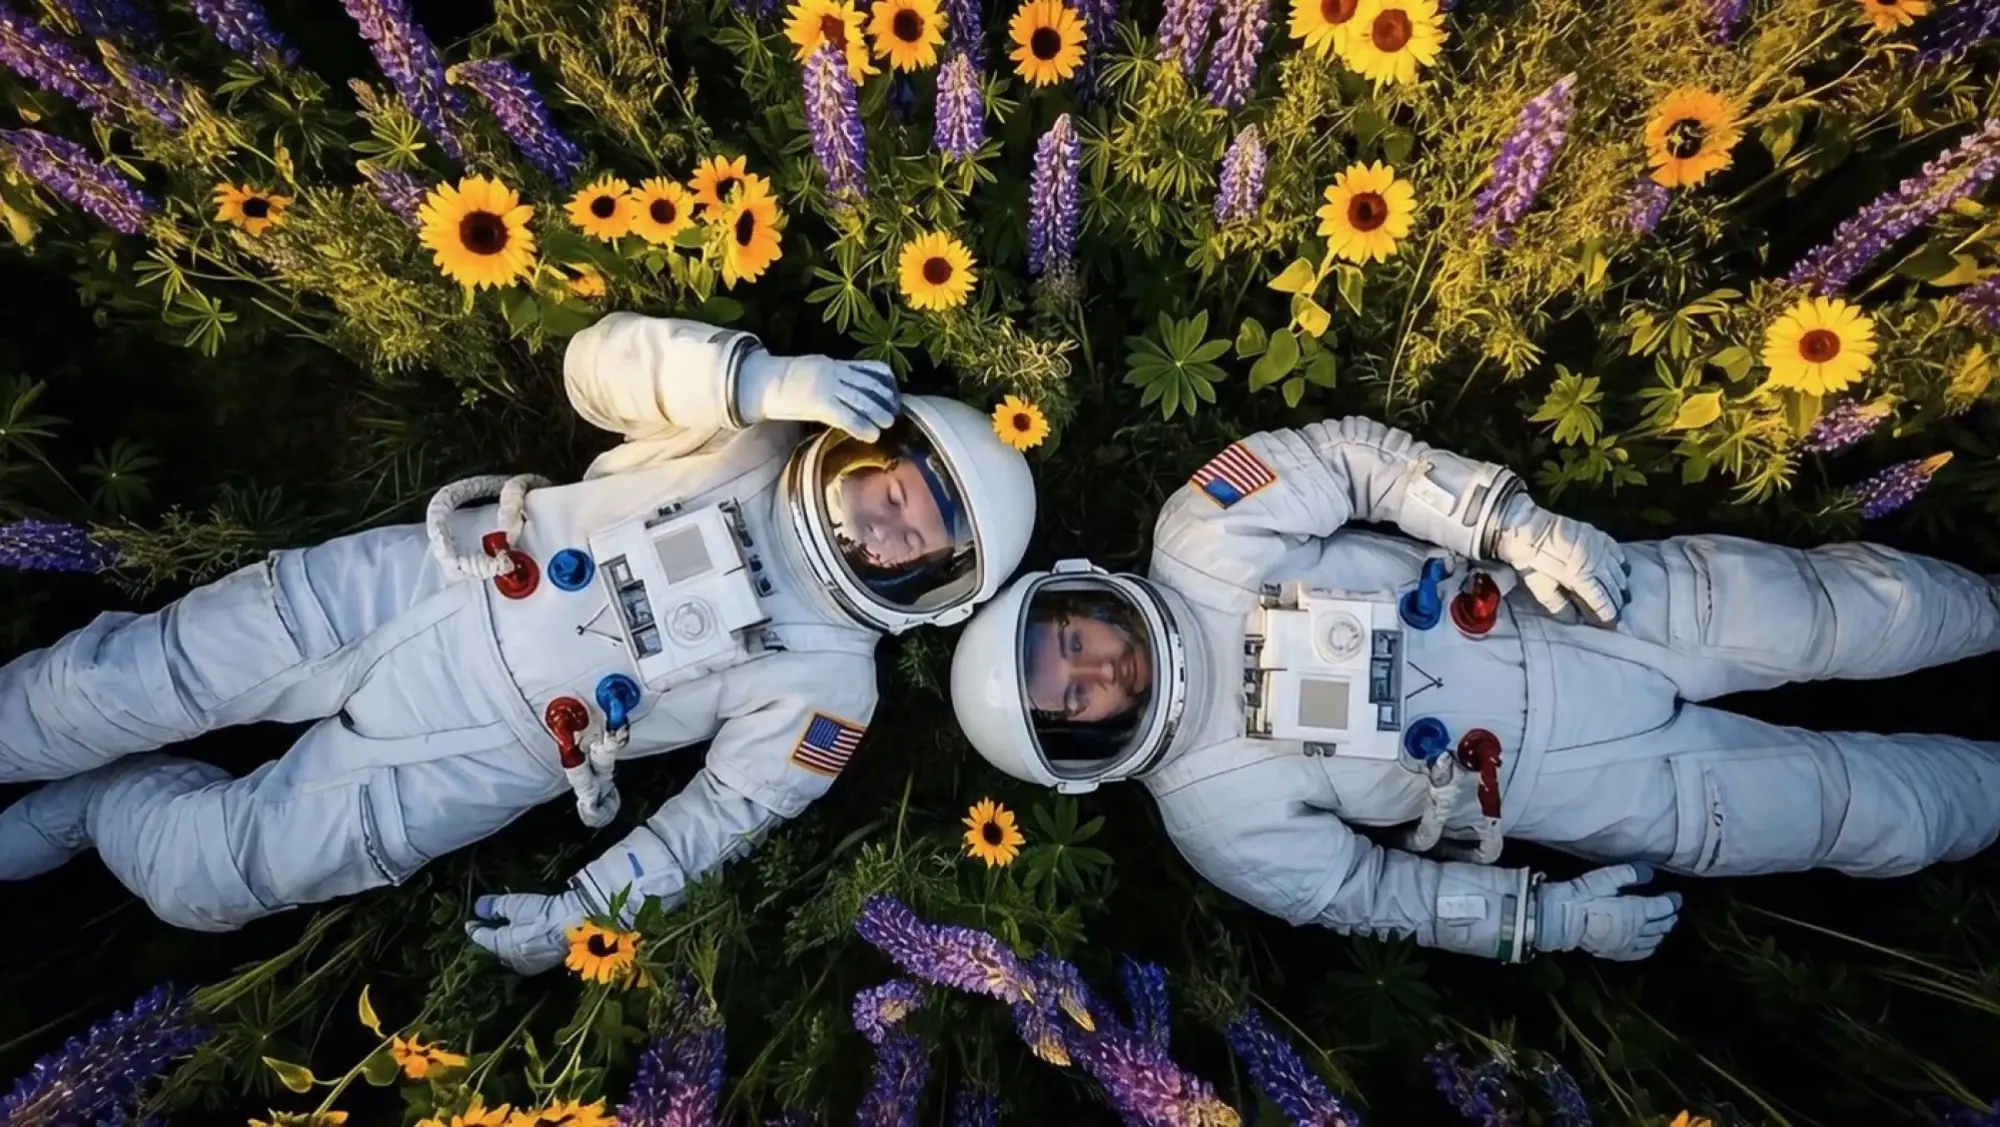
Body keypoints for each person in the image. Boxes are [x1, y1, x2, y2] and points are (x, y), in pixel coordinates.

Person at [0, 312, 1035, 975]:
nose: (892, 524)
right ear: (864, 443)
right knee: (120, 679)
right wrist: (754, 378)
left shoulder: (830, 683)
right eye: (895, 486)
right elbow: (596, 368)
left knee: (213, 878)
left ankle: (97, 808)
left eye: (921, 538)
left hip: (484, 753)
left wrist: (592, 908)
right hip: (427, 585)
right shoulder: (749, 434)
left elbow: (725, 814)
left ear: (936, 590)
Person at [950, 417, 2000, 964]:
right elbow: (1380, 899)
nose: (1096, 667)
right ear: (1078, 748)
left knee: (1854, 609)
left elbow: (1352, 462)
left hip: (1579, 605)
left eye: (1071, 640)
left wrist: (1511, 526)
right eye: (1072, 696)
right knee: (1857, 810)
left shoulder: (1204, 531)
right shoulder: (1215, 818)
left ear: (1077, 593)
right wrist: (1546, 922)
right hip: (1580, 787)